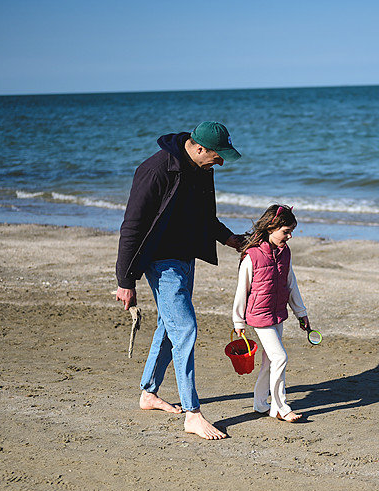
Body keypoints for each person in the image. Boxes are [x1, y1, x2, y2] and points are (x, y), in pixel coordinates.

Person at [115, 121, 244, 440]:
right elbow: (132, 225)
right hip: (159, 261)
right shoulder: (155, 170)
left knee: (169, 325)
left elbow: (205, 218)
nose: (222, 161)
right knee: (185, 327)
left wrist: (232, 240)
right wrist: (125, 280)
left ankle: (148, 392)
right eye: (218, 155)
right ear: (199, 148)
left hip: (186, 258)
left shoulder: (202, 169)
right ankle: (192, 414)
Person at [233, 205, 310, 423]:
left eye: (291, 231)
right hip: (259, 316)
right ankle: (280, 407)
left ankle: (260, 403)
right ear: (271, 228)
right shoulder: (252, 256)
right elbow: (242, 289)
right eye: (286, 231)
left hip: (277, 313)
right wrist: (238, 320)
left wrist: (301, 313)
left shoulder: (285, 253)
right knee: (280, 357)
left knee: (269, 361)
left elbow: (291, 283)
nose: (290, 236)